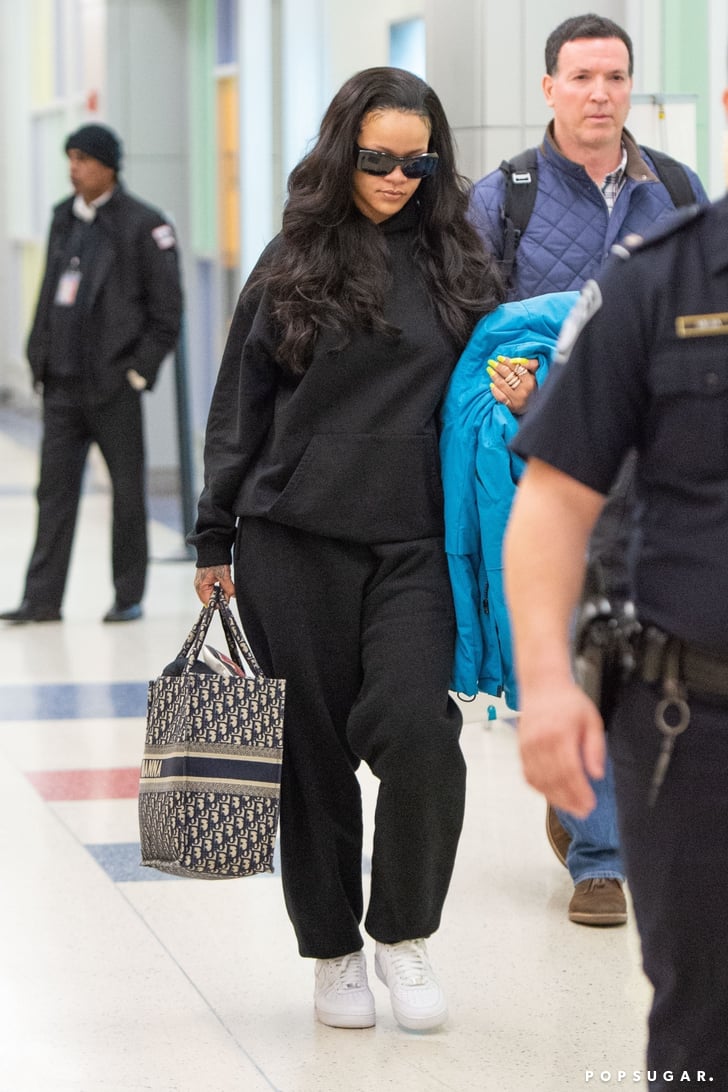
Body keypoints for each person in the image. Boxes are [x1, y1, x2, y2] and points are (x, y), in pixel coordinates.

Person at [189, 66, 504, 1031]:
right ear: (342, 151)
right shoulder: (294, 260)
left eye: (418, 162)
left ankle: (404, 937)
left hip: (415, 543)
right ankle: (331, 953)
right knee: (311, 757)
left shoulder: (459, 262)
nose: (398, 178)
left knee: (418, 737)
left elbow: (492, 384)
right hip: (296, 540)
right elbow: (242, 402)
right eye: (378, 159)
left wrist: (522, 388)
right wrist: (215, 531)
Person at [468, 12, 709, 926]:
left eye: (615, 78)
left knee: (649, 651)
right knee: (572, 644)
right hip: (554, 460)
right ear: (549, 88)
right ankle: (600, 859)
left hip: (659, 467)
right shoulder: (506, 198)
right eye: (581, 78)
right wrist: (508, 378)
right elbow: (471, 326)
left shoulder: (677, 188)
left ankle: (619, 818)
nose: (600, 94)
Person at [503, 181, 728, 1089]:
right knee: (704, 1021)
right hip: (696, 724)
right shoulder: (657, 282)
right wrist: (548, 684)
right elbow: (554, 503)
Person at [0, 123, 183, 625]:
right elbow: (49, 292)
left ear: (108, 166)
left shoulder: (144, 225)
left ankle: (127, 594)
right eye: (70, 158)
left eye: (82, 159)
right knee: (52, 494)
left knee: (126, 495)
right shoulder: (65, 217)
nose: (73, 169)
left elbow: (167, 312)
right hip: (61, 385)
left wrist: (138, 375)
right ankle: (42, 598)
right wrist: (37, 356)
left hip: (114, 389)